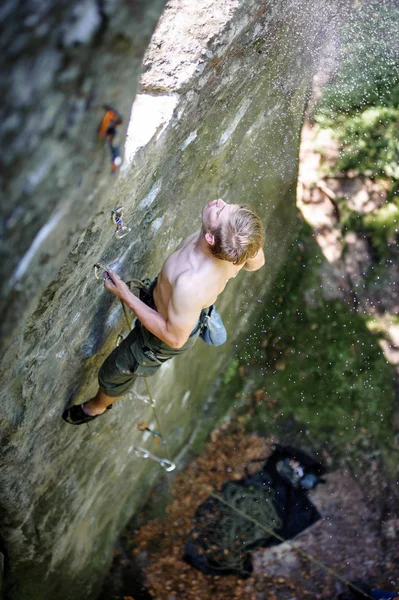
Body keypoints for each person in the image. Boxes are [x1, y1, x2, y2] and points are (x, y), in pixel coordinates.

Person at [63, 199, 265, 425]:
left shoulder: (190, 283)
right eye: (228, 206)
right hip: (183, 304)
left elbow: (174, 338)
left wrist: (126, 295)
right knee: (188, 306)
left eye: (220, 211)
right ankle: (196, 314)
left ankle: (96, 407)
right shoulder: (237, 246)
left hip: (163, 335)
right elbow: (257, 261)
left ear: (211, 238)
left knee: (114, 372)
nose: (219, 202)